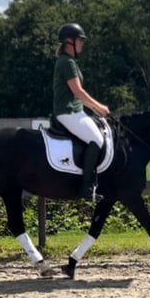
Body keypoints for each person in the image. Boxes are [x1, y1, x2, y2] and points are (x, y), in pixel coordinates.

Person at [52, 22, 110, 201]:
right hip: (68, 112)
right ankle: (86, 187)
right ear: (69, 42)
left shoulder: (69, 62)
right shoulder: (67, 62)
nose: (82, 44)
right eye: (80, 40)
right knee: (97, 140)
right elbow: (78, 92)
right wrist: (98, 107)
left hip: (75, 111)